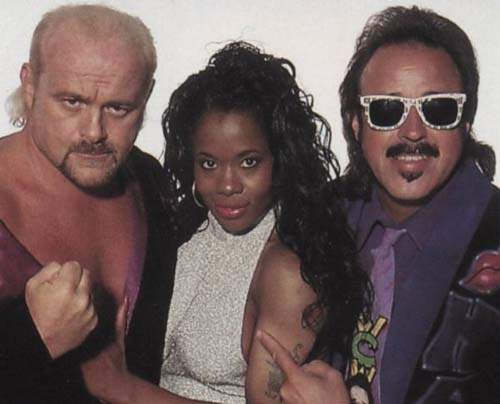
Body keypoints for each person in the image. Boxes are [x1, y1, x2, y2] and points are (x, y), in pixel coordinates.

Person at [84, 41, 370, 404]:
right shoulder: (186, 231)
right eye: (209, 163)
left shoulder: (287, 272)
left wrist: (123, 389)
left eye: (249, 162)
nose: (228, 185)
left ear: (280, 159)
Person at [262, 6, 500, 404]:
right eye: (387, 110)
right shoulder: (312, 221)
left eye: (438, 109)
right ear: (355, 122)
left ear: (465, 120)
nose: (412, 132)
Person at [0, 5, 177, 403]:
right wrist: (30, 339)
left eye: (118, 108)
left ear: (147, 96)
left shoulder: (150, 184)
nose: (94, 132)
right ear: (30, 84)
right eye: (72, 102)